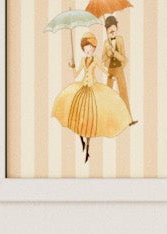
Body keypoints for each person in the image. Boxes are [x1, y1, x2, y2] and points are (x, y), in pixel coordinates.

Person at [51, 32, 132, 163]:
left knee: (89, 119)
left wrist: (111, 76)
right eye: (85, 48)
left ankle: (87, 149)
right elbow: (76, 74)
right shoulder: (83, 60)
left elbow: (103, 70)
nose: (88, 50)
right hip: (82, 88)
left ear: (94, 48)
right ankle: (81, 139)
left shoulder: (95, 60)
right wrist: (72, 67)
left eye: (90, 48)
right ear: (83, 49)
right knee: (78, 115)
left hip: (93, 88)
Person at [103, 16, 136, 125]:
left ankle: (129, 119)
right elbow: (103, 60)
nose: (113, 34)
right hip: (110, 71)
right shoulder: (106, 43)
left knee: (123, 92)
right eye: (110, 32)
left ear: (117, 28)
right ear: (107, 31)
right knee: (108, 93)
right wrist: (109, 53)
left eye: (114, 31)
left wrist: (115, 53)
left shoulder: (120, 40)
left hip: (119, 69)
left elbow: (124, 59)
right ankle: (106, 120)